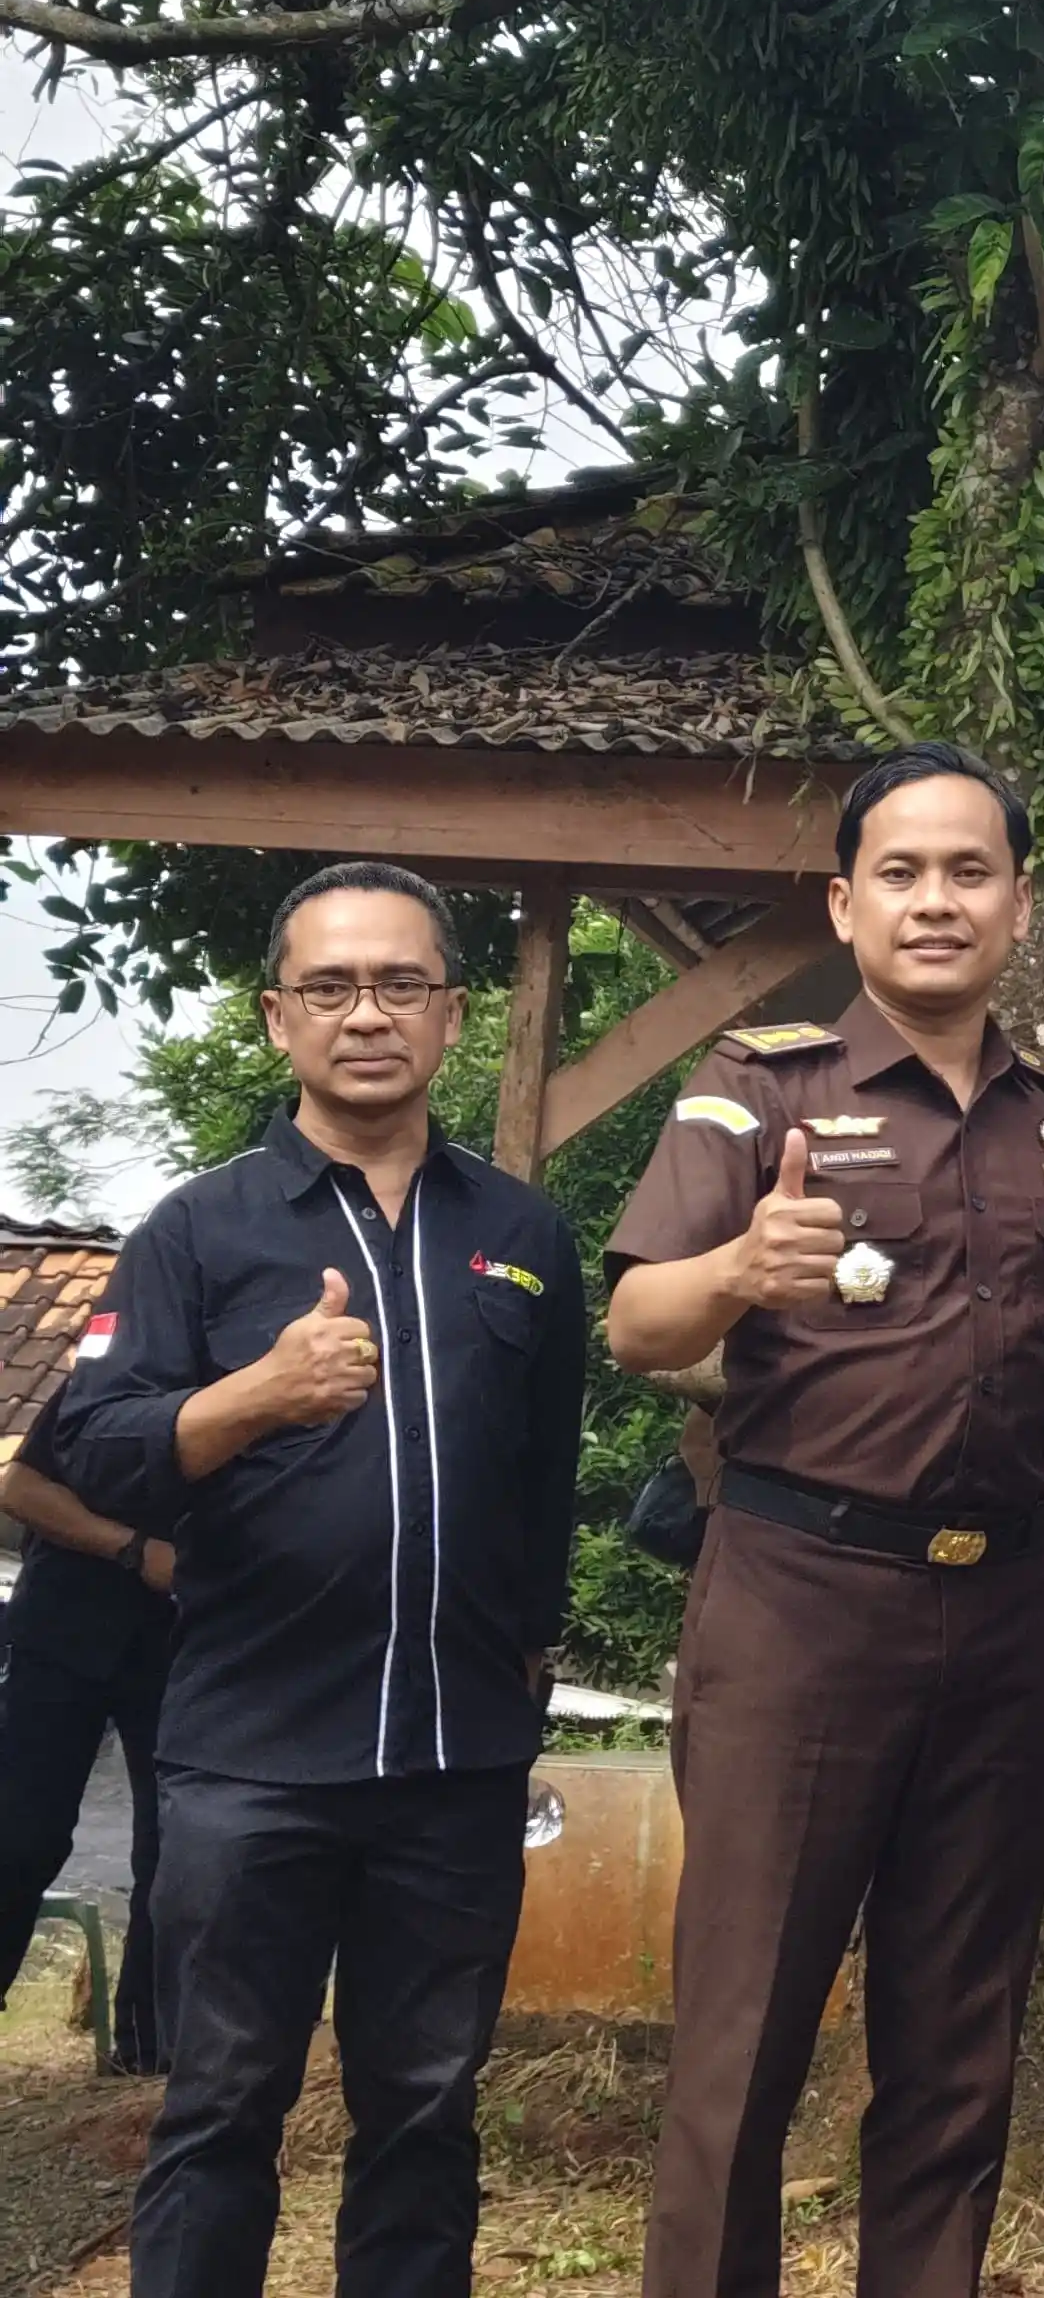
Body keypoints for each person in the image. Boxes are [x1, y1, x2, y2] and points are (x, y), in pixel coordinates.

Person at [603, 744, 1044, 2298]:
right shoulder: (756, 1087)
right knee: (740, 2044)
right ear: (845, 902)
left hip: (1005, 1621)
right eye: (900, 872)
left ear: (1022, 905)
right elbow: (637, 1320)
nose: (937, 900)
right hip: (799, 1602)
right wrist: (738, 1274)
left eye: (971, 872)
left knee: (959, 2049)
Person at [35, 861, 586, 2298]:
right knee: (221, 2112)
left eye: (400, 984)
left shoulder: (521, 1236)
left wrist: (526, 1655)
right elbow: (89, 1449)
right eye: (331, 987)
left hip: (455, 1767)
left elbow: (542, 1483)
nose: (367, 1015)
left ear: (452, 1015)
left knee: (424, 2114)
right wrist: (251, 1399)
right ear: (278, 1017)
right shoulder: (198, 1231)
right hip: (249, 1761)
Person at [0, 1455, 173, 2073]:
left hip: (184, 1643)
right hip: (63, 1629)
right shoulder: (111, 1371)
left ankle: (146, 2058)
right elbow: (16, 1486)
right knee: (20, 1837)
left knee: (177, 1854)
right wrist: (134, 1550)